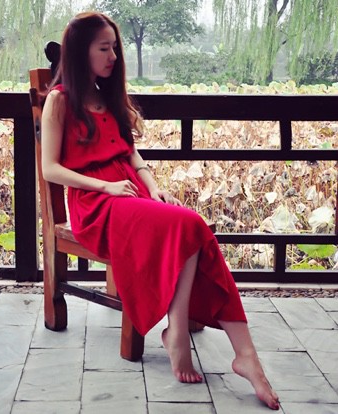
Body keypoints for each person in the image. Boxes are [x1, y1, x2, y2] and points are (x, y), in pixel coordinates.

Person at [41, 11, 280, 410]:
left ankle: (240, 353)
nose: (113, 56)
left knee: (190, 227)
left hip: (131, 195)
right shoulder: (60, 101)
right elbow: (50, 168)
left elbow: (130, 154)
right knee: (191, 225)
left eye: (115, 48)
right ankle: (182, 334)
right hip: (95, 205)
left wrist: (153, 187)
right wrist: (106, 187)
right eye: (104, 48)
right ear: (81, 52)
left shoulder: (106, 96)